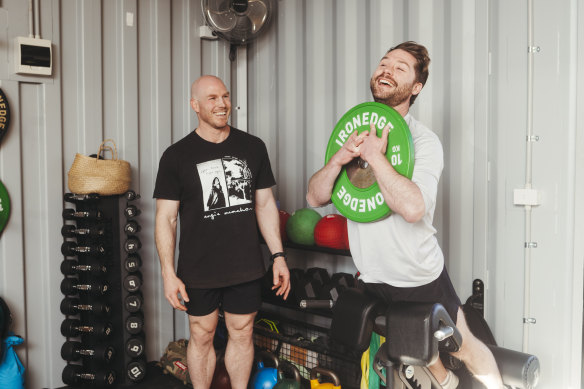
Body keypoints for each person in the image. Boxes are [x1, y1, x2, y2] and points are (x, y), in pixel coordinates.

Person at [306, 42, 503, 389]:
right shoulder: (355, 134)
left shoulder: (424, 141)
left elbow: (413, 209)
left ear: (416, 88)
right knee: (410, 346)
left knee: (465, 346)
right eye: (384, 63)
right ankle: (447, 384)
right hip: (372, 275)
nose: (386, 70)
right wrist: (338, 160)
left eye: (399, 68)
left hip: (417, 276)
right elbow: (314, 197)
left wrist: (376, 157)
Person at [154, 75, 290, 389]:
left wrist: (278, 256)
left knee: (242, 333)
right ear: (195, 106)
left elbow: (265, 204)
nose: (222, 104)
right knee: (201, 335)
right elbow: (166, 219)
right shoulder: (176, 156)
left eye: (225, 96)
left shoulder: (253, 147)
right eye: (212, 98)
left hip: (244, 264)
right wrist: (167, 273)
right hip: (199, 267)